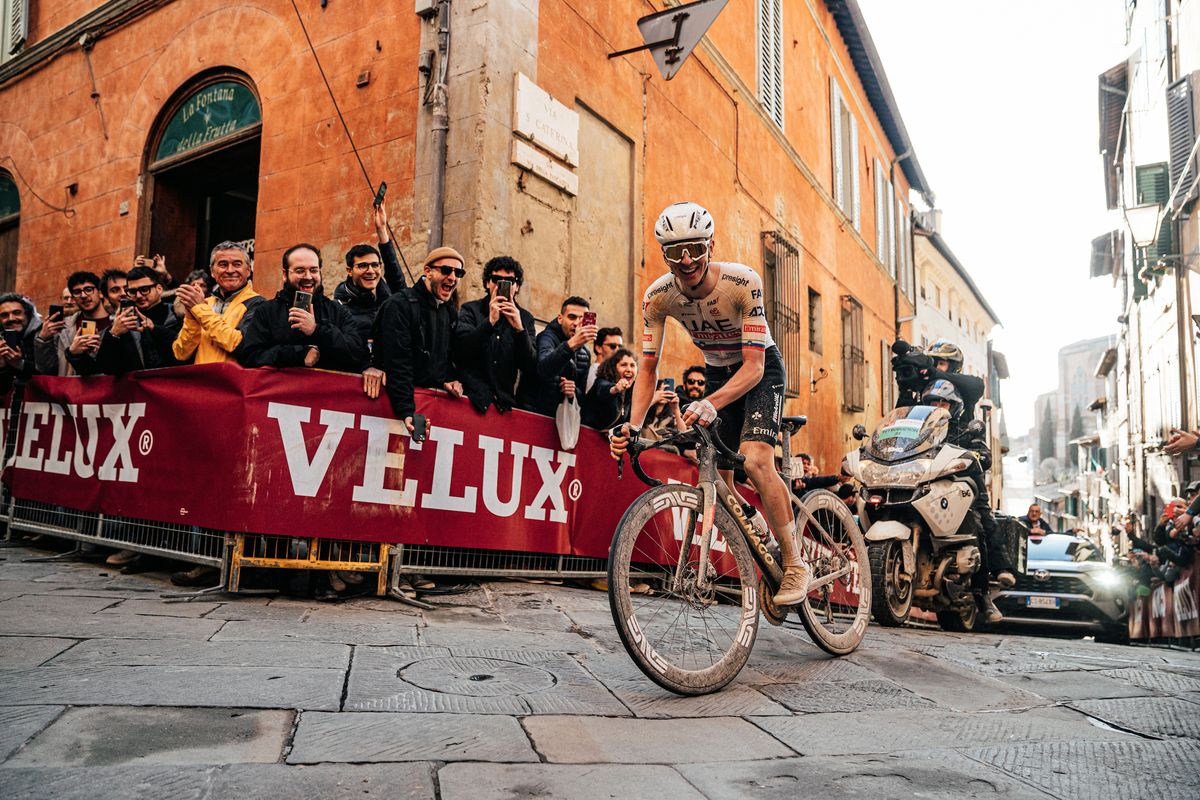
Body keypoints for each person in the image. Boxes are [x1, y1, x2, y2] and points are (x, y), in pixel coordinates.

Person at [610, 201, 811, 608]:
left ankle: (793, 562)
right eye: (675, 252)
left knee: (755, 461)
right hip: (717, 371)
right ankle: (764, 538)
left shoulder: (742, 283)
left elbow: (754, 367)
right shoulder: (658, 297)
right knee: (719, 479)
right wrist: (632, 425)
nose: (686, 261)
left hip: (759, 369)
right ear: (664, 255)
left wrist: (711, 403)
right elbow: (646, 370)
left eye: (696, 249)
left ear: (711, 247)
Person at [921, 379, 1013, 622]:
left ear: (955, 406)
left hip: (962, 486)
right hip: (925, 487)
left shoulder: (965, 429)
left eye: (944, 402)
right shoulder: (921, 431)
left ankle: (983, 594)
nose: (939, 406)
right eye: (933, 402)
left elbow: (984, 454)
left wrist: (977, 455)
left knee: (979, 525)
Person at [366, 246, 465, 430]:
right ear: (428, 271)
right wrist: (406, 411)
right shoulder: (400, 305)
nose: (452, 277)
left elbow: (446, 357)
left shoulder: (449, 310)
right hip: (389, 410)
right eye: (446, 270)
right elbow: (398, 364)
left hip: (424, 409)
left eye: (458, 272)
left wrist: (450, 379)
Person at [236, 243, 367, 373]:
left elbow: (357, 354)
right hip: (282, 392)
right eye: (300, 271)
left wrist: (317, 331)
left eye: (314, 270)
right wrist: (298, 354)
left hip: (326, 392)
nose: (309, 277)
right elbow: (250, 356)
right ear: (284, 274)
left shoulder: (338, 311)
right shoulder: (266, 311)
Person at [453, 255, 536, 414]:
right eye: (496, 279)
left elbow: (529, 365)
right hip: (471, 402)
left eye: (509, 281)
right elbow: (460, 351)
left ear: (516, 286)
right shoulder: (471, 310)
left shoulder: (525, 318)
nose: (501, 285)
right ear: (487, 283)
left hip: (503, 406)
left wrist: (519, 330)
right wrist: (489, 322)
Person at [173, 242, 263, 365]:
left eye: (237, 264)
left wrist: (200, 309)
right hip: (202, 381)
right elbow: (181, 353)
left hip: (233, 383)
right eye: (223, 264)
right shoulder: (205, 303)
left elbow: (239, 345)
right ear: (212, 271)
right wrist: (191, 316)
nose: (230, 270)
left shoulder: (259, 304)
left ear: (248, 270)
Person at [97, 266, 181, 374]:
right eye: (132, 291)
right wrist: (113, 335)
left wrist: (155, 329)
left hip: (174, 386)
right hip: (139, 389)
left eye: (144, 290)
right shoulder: (125, 323)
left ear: (159, 289)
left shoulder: (177, 314)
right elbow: (107, 368)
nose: (138, 295)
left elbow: (187, 352)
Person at [521, 296, 595, 416]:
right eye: (572, 317)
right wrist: (572, 344)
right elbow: (544, 369)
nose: (576, 323)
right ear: (560, 318)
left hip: (560, 420)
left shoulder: (585, 353)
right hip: (532, 413)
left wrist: (573, 391)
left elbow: (582, 395)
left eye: (582, 319)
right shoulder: (547, 337)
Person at [34, 271, 109, 377]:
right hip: (67, 390)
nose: (83, 295)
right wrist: (43, 340)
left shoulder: (116, 325)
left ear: (100, 293)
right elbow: (46, 369)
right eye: (77, 292)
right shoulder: (62, 327)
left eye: (88, 289)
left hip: (105, 391)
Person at [583, 346, 638, 429]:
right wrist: (615, 389)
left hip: (609, 439)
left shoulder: (631, 392)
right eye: (623, 365)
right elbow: (603, 390)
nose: (629, 369)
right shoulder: (601, 382)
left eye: (632, 365)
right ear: (613, 368)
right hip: (588, 436)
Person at [0, 293, 41, 393]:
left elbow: (47, 373)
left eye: (17, 312)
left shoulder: (41, 337)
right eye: (4, 315)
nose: (11, 318)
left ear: (27, 314)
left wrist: (19, 364)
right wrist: (2, 366)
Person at [585, 327, 624, 393]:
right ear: (598, 348)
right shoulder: (595, 371)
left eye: (620, 347)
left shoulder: (611, 370)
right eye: (612, 346)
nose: (617, 350)